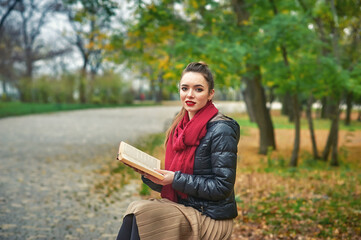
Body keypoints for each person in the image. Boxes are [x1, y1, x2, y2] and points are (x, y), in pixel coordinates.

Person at [116, 62, 240, 240]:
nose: (190, 94)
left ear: (210, 94)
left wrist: (175, 178)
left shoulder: (222, 129)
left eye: (198, 89)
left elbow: (222, 187)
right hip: (184, 206)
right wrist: (150, 175)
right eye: (185, 88)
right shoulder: (179, 127)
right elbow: (177, 184)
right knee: (135, 212)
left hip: (211, 216)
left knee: (143, 213)